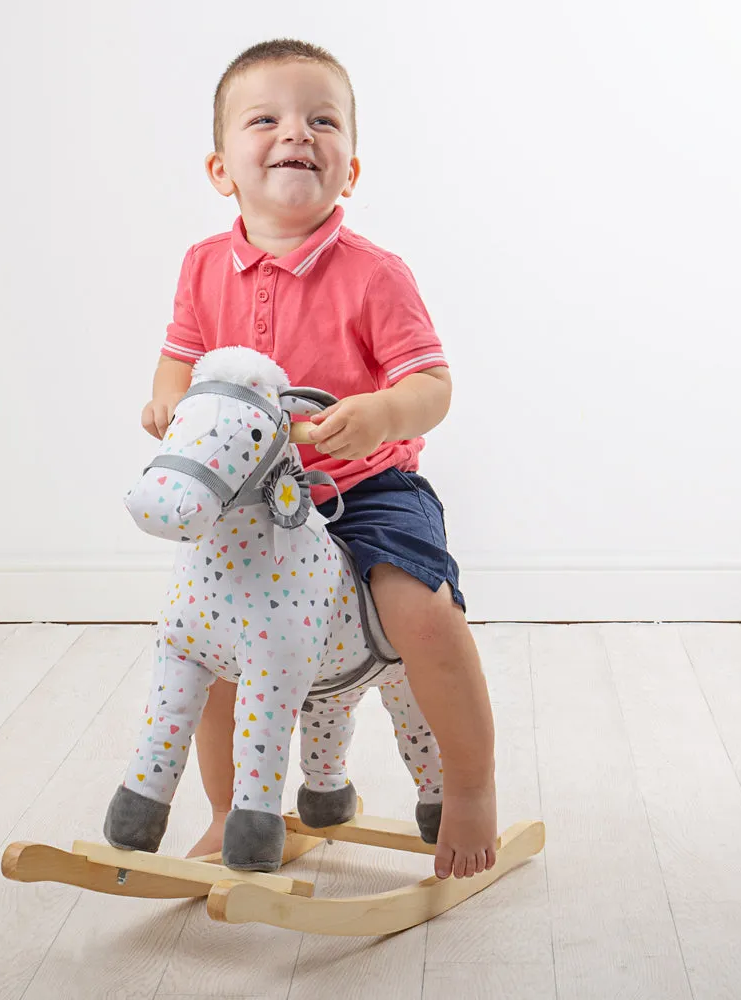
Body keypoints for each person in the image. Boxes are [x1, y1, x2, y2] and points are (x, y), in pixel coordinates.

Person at [140, 38, 496, 879]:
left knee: (420, 610)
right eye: (265, 119)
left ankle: (472, 785)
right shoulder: (202, 267)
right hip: (252, 503)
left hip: (367, 487)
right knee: (213, 643)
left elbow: (433, 386)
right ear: (221, 168)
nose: (296, 133)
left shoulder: (375, 274)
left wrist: (380, 415)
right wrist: (167, 400)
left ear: (351, 168)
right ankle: (230, 810)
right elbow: (180, 356)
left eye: (321, 120)